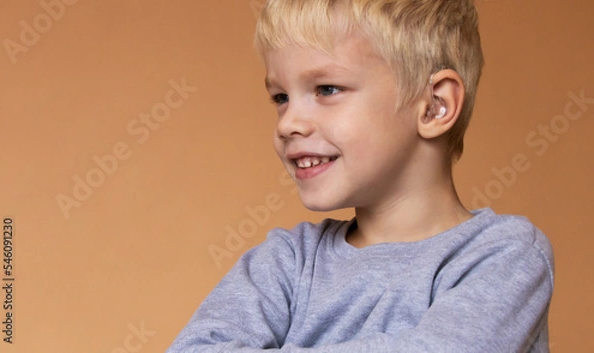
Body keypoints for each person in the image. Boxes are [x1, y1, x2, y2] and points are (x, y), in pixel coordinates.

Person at [166, 0, 554, 351]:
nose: (288, 124)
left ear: (435, 106)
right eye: (281, 98)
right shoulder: (286, 262)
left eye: (326, 89)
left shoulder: (504, 255)